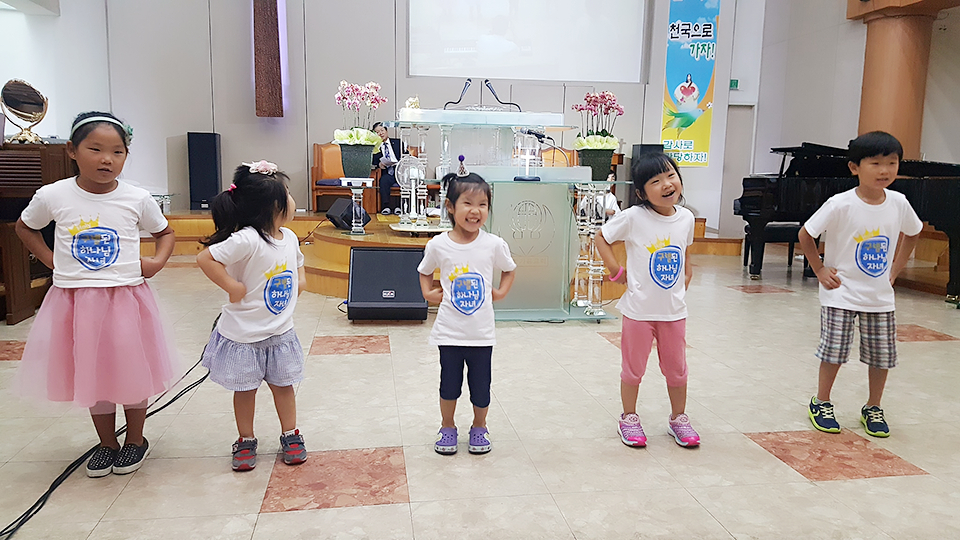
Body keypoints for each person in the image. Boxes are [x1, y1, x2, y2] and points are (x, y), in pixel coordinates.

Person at [14, 111, 177, 477]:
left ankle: (135, 439)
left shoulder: (136, 198)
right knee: (94, 368)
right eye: (96, 149)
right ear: (72, 150)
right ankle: (107, 443)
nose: (107, 159)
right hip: (77, 300)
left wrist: (156, 262)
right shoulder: (53, 195)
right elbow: (25, 227)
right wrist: (51, 260)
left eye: (117, 152)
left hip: (125, 297)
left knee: (130, 365)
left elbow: (165, 233)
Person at [799, 131, 922, 438]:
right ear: (855, 167)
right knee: (834, 351)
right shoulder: (840, 203)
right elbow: (806, 234)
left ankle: (873, 406)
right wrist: (819, 269)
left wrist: (895, 269)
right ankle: (821, 401)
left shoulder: (899, 202)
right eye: (875, 163)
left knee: (882, 355)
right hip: (840, 292)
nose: (885, 170)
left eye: (892, 163)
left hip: (879, 297)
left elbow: (913, 232)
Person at [197, 160, 308, 471]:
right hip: (245, 336)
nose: (292, 200)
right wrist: (232, 286)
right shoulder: (247, 239)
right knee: (245, 390)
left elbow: (298, 261)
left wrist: (301, 280)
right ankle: (245, 438)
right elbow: (206, 259)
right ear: (273, 206)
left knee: (284, 386)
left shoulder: (289, 236)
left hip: (280, 332)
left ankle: (291, 434)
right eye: (288, 194)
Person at [595, 152, 699, 448]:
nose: (667, 184)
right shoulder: (634, 217)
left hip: (674, 312)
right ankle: (628, 418)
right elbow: (602, 238)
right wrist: (616, 271)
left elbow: (685, 250)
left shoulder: (687, 218)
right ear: (641, 193)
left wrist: (687, 274)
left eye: (671, 175)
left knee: (677, 370)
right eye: (656, 181)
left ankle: (678, 418)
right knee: (633, 369)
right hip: (639, 312)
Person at [418, 166, 516, 455]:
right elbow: (424, 271)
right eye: (468, 203)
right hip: (449, 333)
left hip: (481, 335)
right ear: (450, 207)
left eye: (483, 204)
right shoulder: (438, 245)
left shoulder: (493, 244)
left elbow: (509, 269)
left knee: (481, 386)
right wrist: (427, 293)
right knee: (449, 385)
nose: (475, 211)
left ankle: (479, 426)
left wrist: (500, 292)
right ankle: (447, 426)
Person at [372, 121, 404, 215]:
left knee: (405, 180)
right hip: (387, 172)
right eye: (377, 132)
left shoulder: (398, 142)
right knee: (384, 181)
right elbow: (373, 161)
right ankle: (385, 207)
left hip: (400, 171)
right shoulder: (375, 148)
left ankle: (400, 206)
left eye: (382, 130)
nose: (381, 133)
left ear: (386, 131)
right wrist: (379, 165)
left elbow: (406, 155)